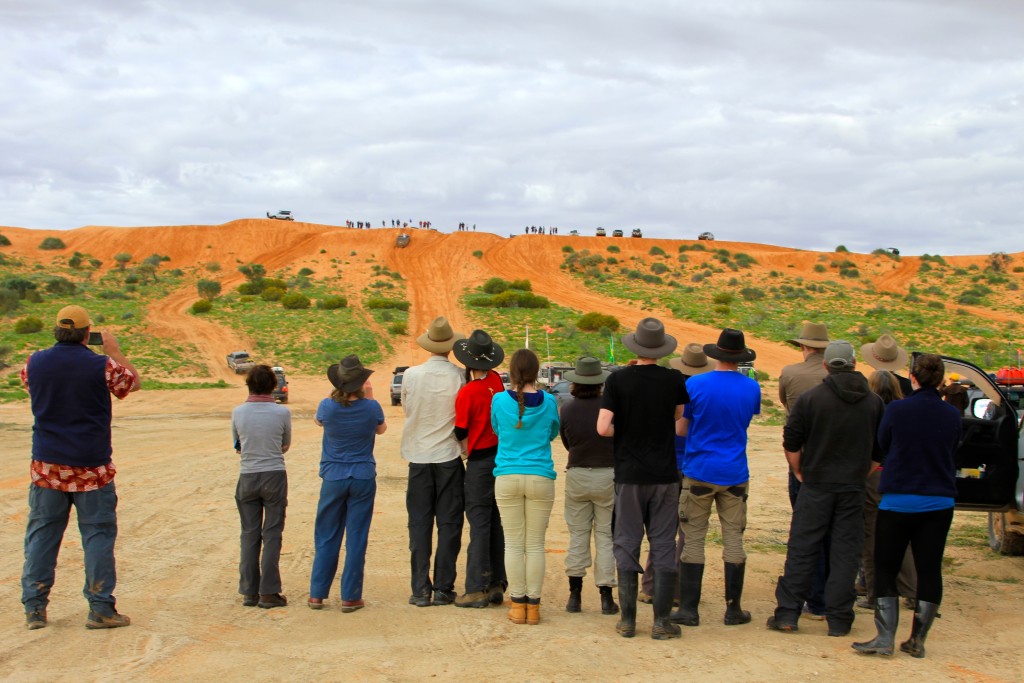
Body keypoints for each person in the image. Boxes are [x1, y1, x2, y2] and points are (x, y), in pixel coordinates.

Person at [20, 305, 140, 630]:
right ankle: (101, 607)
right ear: (88, 334)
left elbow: (34, 390)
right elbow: (132, 384)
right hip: (92, 466)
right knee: (97, 536)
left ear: (57, 331)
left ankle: (35, 608)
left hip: (47, 466)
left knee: (42, 537)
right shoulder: (101, 365)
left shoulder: (34, 363)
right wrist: (114, 352)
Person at [768, 341, 884, 637]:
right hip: (852, 488)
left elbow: (791, 441)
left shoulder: (811, 399)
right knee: (846, 552)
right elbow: (880, 450)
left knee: (803, 549)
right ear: (855, 363)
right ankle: (840, 619)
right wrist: (861, 472)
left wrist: (798, 470)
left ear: (826, 366)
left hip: (816, 484)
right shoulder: (874, 402)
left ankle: (788, 614)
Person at [854, 354, 962, 659]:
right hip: (938, 501)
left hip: (899, 499)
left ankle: (885, 637)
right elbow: (954, 448)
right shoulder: (951, 415)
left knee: (886, 566)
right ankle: (917, 639)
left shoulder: (898, 410)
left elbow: (883, 442)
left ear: (913, 377)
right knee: (930, 569)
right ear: (941, 380)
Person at [597, 318, 687, 640]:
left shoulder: (618, 380)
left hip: (630, 476)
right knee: (663, 544)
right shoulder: (674, 379)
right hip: (664, 476)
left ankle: (627, 621)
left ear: (635, 346)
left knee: (627, 542)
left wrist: (628, 429)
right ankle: (662, 623)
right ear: (661, 349)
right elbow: (678, 416)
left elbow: (602, 428)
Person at [675, 328, 760, 629]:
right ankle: (733, 609)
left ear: (716, 354)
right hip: (735, 472)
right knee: (734, 538)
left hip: (699, 469)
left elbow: (681, 429)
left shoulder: (696, 384)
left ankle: (688, 610)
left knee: (694, 538)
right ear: (741, 356)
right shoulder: (752, 388)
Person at [308, 356, 386, 613]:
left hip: (333, 475)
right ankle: (350, 596)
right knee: (356, 537)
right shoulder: (371, 407)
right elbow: (381, 429)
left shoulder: (326, 406)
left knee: (327, 535)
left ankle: (317, 594)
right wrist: (371, 397)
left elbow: (319, 421)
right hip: (362, 475)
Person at [639, 343, 713, 603]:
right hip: (691, 465)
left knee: (662, 528)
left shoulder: (668, 388)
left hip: (666, 463)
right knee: (686, 529)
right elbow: (684, 429)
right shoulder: (700, 391)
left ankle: (649, 586)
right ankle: (676, 589)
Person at [401, 317, 466, 607]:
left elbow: (407, 409)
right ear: (450, 346)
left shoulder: (411, 375)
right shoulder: (460, 375)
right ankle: (443, 587)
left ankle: (419, 589)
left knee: (419, 524)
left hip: (419, 455)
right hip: (449, 456)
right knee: (449, 523)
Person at [491, 349, 560, 625]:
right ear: (537, 371)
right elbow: (553, 432)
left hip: (507, 475)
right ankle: (534, 606)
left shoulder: (498, 400)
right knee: (535, 545)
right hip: (540, 476)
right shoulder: (550, 402)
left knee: (513, 544)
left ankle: (518, 604)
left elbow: (497, 429)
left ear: (513, 371)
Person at [777, 321, 830, 620]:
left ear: (803, 347)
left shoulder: (790, 374)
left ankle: (806, 594)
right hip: (833, 459)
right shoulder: (833, 375)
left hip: (801, 457)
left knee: (804, 529)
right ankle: (826, 598)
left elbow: (786, 405)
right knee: (832, 531)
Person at [451, 330, 508, 608]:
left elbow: (460, 429)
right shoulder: (497, 381)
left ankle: (475, 586)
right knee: (496, 521)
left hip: (479, 461)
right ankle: (497, 582)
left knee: (479, 522)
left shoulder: (467, 392)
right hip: (501, 457)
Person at [559, 356, 618, 616]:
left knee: (578, 535)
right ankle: (606, 597)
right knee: (605, 537)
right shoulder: (609, 408)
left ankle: (575, 595)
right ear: (599, 382)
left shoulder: (568, 409)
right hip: (608, 474)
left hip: (578, 474)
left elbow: (566, 442)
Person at [231, 364, 292, 609]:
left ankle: (249, 590)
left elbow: (237, 445)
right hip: (274, 474)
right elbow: (285, 445)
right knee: (272, 533)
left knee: (249, 533)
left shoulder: (238, 412)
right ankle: (269, 591)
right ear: (273, 386)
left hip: (247, 475)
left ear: (248, 385)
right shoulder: (281, 413)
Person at [858, 371, 917, 611]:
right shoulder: (906, 410)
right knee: (903, 534)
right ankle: (913, 590)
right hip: (902, 476)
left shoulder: (870, 409)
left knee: (871, 534)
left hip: (875, 475)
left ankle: (874, 591)